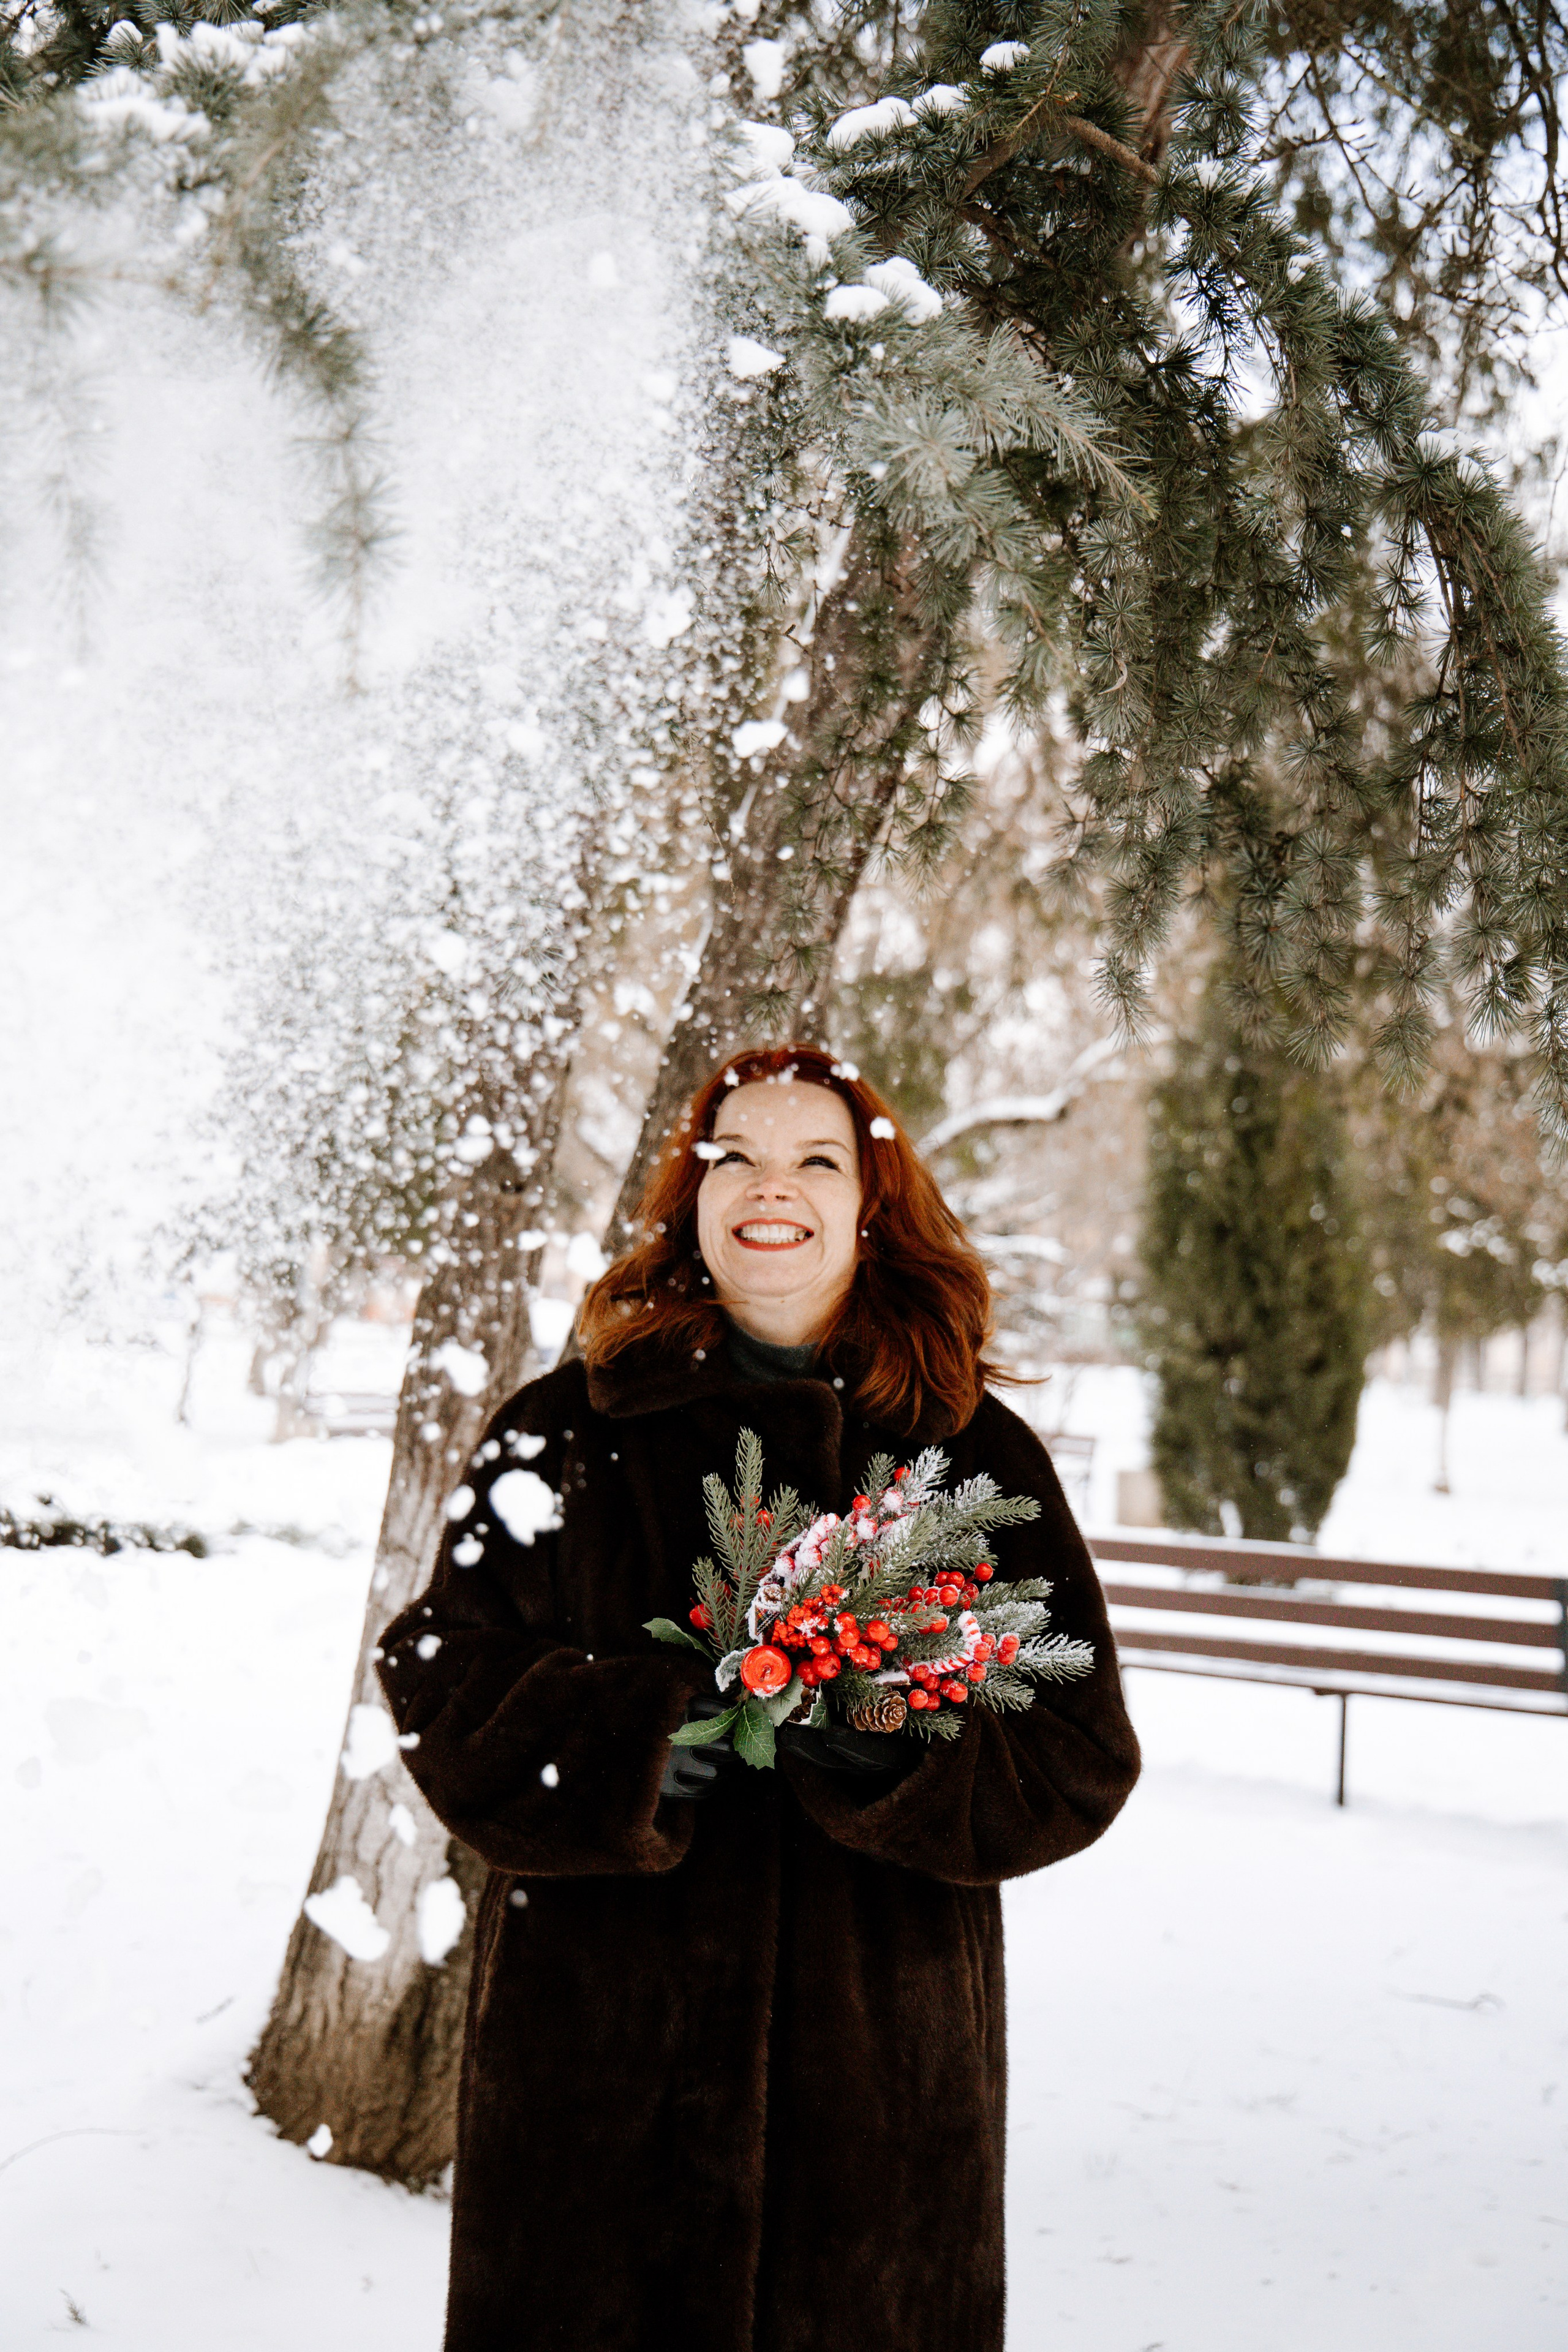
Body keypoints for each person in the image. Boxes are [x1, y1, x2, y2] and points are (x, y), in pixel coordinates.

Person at [377, 1042, 1140, 2352]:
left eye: (813, 1157)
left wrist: (904, 1760)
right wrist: (619, 1742)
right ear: (692, 1197)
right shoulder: (564, 1427)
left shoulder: (967, 1454)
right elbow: (437, 1673)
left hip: (878, 2107)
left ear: (867, 1204)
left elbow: (1073, 1753)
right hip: (596, 2087)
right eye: (735, 1154)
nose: (768, 1183)